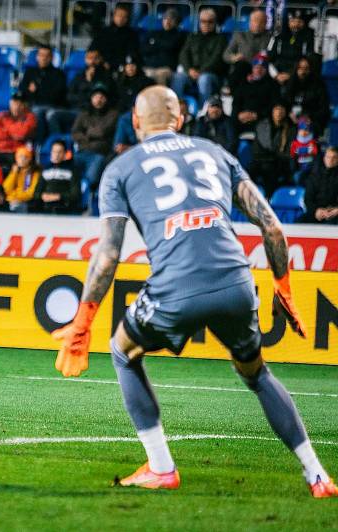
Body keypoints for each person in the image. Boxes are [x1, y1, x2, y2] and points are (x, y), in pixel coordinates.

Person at [52, 84, 337, 498]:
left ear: (134, 122)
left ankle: (161, 467)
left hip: (174, 289)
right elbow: (273, 227)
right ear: (180, 119)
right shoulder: (216, 153)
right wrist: (283, 287)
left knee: (122, 350)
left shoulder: (120, 168)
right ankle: (317, 475)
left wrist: (83, 320)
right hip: (236, 285)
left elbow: (108, 254)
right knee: (256, 373)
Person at [172, 8, 228, 106]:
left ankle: (203, 111)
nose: (206, 24)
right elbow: (183, 54)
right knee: (178, 77)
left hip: (210, 74)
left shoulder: (221, 39)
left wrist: (201, 71)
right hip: (191, 71)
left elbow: (217, 59)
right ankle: (177, 108)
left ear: (215, 23)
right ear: (199, 22)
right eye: (203, 21)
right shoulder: (192, 36)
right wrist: (189, 69)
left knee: (204, 79)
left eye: (210, 22)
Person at [71, 83, 119, 190]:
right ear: (91, 99)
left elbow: (102, 131)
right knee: (68, 171)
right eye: (96, 97)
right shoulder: (84, 114)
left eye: (102, 97)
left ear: (106, 99)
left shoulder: (113, 114)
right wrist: (89, 137)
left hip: (100, 153)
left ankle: (89, 200)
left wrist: (87, 134)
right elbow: (75, 132)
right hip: (82, 152)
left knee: (91, 179)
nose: (98, 100)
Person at [18, 43, 67, 140]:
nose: (43, 58)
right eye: (41, 55)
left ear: (51, 58)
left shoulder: (58, 74)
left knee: (38, 112)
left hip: (51, 106)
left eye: (47, 56)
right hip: (31, 104)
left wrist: (35, 91)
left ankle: (44, 144)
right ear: (37, 57)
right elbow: (22, 90)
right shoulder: (30, 72)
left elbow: (56, 96)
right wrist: (37, 91)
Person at [250, 102, 295, 195]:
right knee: (248, 172)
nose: (279, 113)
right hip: (261, 159)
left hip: (280, 161)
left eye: (281, 110)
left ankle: (269, 199)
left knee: (270, 171)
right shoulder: (263, 125)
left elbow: (289, 152)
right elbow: (258, 149)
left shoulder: (290, 128)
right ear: (272, 111)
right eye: (276, 110)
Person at [230, 53, 279, 136]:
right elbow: (236, 103)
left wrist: (257, 115)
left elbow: (273, 105)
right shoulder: (244, 84)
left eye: (262, 68)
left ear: (266, 69)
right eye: (256, 67)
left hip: (261, 121)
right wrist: (239, 115)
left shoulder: (272, 85)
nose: (258, 70)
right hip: (241, 121)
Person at [281, 56, 330, 137]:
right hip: (291, 122)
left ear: (310, 69)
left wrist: (309, 117)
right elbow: (284, 104)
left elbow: (324, 109)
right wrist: (289, 114)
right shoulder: (290, 84)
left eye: (306, 68)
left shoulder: (318, 85)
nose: (302, 71)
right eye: (300, 68)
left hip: (311, 123)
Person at [223, 9, 271, 91]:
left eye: (261, 21)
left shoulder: (270, 38)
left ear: (266, 23)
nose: (258, 24)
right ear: (249, 22)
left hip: (260, 70)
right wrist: (234, 57)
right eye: (255, 21)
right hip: (242, 70)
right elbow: (226, 55)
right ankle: (230, 90)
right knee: (241, 65)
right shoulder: (239, 35)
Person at [0, 91, 37, 168]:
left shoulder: (30, 117)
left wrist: (5, 129)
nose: (16, 107)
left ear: (25, 105)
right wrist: (12, 132)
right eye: (14, 103)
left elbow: (21, 134)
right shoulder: (2, 115)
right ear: (10, 104)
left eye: (19, 104)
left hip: (16, 151)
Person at [140, 8, 187, 87]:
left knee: (160, 75)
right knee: (140, 74)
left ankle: (161, 99)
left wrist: (154, 44)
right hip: (149, 67)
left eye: (171, 19)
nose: (167, 22)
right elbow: (143, 49)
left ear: (177, 22)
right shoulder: (154, 33)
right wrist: (162, 46)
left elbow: (170, 46)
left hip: (166, 68)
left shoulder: (180, 36)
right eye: (165, 18)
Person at [267, 9, 315, 84]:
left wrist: (291, 75)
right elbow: (268, 59)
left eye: (299, 22)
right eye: (293, 21)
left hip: (299, 78)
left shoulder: (309, 38)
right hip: (277, 77)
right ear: (288, 22)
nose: (296, 24)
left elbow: (309, 61)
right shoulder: (278, 37)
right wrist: (276, 75)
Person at [88, 4, 141, 70]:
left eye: (124, 17)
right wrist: (101, 61)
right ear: (114, 16)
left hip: (123, 68)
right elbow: (92, 49)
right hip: (102, 66)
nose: (121, 19)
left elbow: (132, 54)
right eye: (119, 15)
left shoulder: (131, 35)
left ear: (127, 19)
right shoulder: (103, 32)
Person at [36, 139, 81, 214]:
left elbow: (75, 194)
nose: (56, 155)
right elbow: (36, 193)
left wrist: (58, 196)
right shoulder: (45, 170)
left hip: (64, 208)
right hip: (45, 208)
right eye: (54, 151)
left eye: (60, 152)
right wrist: (42, 196)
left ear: (65, 154)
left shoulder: (72, 170)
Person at [303, 147, 338, 224]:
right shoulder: (314, 176)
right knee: (299, 223)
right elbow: (308, 199)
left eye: (334, 157)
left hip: (334, 213)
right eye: (328, 157)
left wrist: (336, 210)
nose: (330, 160)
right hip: (316, 212)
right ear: (324, 158)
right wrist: (316, 211)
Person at [2, 145, 41, 213]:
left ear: (29, 159)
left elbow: (30, 194)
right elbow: (5, 189)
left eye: (25, 157)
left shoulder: (34, 173)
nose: (22, 159)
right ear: (16, 159)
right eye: (20, 157)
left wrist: (14, 197)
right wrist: (14, 173)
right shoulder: (13, 171)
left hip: (26, 203)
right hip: (11, 202)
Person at [290, 118, 318, 184]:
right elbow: (292, 153)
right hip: (299, 166)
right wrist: (300, 151)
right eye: (301, 130)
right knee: (297, 177)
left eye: (306, 130)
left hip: (311, 165)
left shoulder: (312, 142)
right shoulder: (295, 142)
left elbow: (314, 151)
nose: (304, 132)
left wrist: (306, 150)